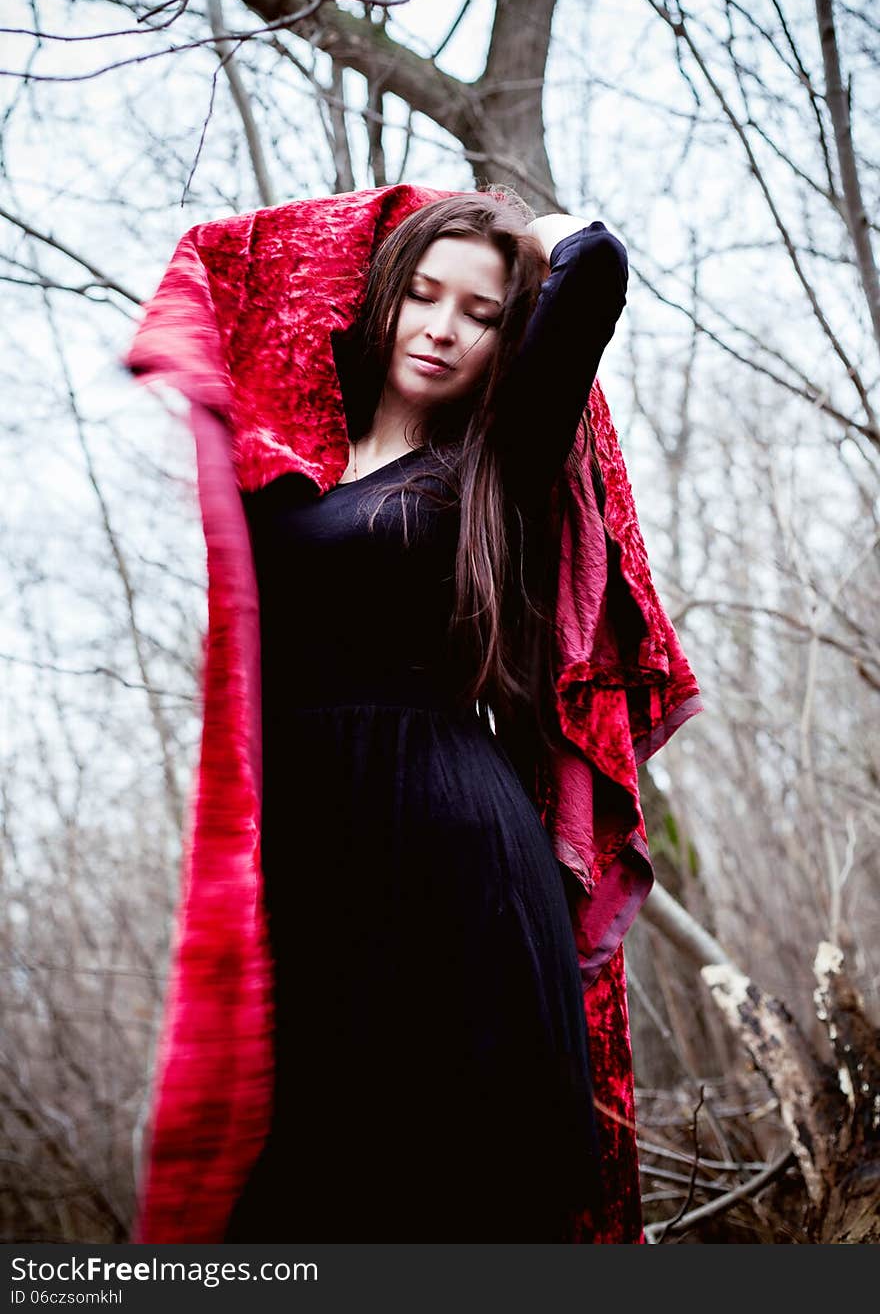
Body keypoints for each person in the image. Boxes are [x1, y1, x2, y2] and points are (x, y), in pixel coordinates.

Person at [218, 189, 630, 1242]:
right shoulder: (287, 453)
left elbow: (597, 264)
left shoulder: (492, 463)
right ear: (382, 298)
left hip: (453, 855)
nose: (442, 328)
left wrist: (513, 231)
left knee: (456, 1195)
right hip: (307, 856)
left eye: (481, 313)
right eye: (422, 294)